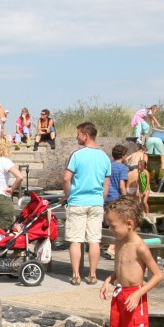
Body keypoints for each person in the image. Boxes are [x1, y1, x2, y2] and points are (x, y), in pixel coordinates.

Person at [97, 197, 163, 327]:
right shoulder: (119, 242)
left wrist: (138, 293)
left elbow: (158, 275)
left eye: (113, 226)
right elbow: (121, 269)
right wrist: (108, 280)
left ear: (129, 224)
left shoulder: (140, 247)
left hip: (135, 297)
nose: (110, 230)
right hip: (119, 295)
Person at [62, 121, 111, 286]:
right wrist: (101, 200)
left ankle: (76, 275)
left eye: (78, 134)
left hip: (77, 202)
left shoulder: (77, 155)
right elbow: (106, 185)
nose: (77, 137)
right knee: (94, 240)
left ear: (86, 135)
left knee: (76, 239)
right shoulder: (105, 157)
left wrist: (67, 196)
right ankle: (92, 275)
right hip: (96, 202)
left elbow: (66, 178)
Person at [103, 145, 130, 259]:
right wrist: (126, 199)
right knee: (117, 224)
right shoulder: (123, 168)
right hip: (116, 198)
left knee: (106, 223)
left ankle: (108, 246)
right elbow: (122, 185)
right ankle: (111, 248)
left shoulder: (108, 165)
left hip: (106, 197)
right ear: (123, 156)